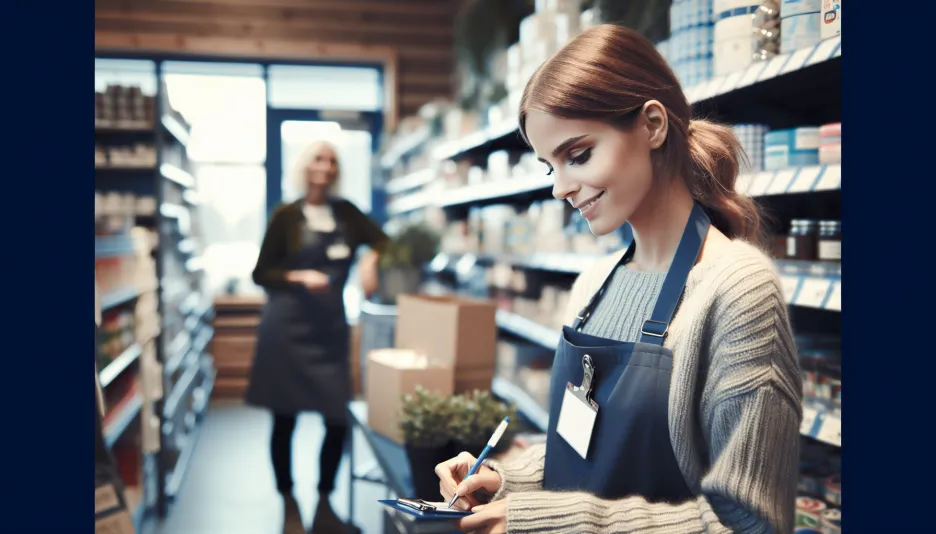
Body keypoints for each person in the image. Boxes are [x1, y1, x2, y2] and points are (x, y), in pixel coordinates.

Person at [435, 24, 802, 534]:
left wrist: (546, 522)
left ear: (652, 124)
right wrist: (508, 482)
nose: (561, 189)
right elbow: (586, 449)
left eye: (578, 155)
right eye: (550, 168)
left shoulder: (736, 289)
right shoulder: (592, 286)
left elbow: (749, 523)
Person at [246, 140, 388, 534]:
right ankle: (289, 503)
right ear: (305, 166)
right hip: (286, 328)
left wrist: (370, 258)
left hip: (328, 331)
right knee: (284, 419)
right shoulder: (287, 216)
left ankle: (324, 504)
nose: (325, 167)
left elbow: (383, 240)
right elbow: (261, 274)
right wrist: (297, 276)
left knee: (337, 420)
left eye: (332, 160)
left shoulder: (347, 214)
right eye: (318, 159)